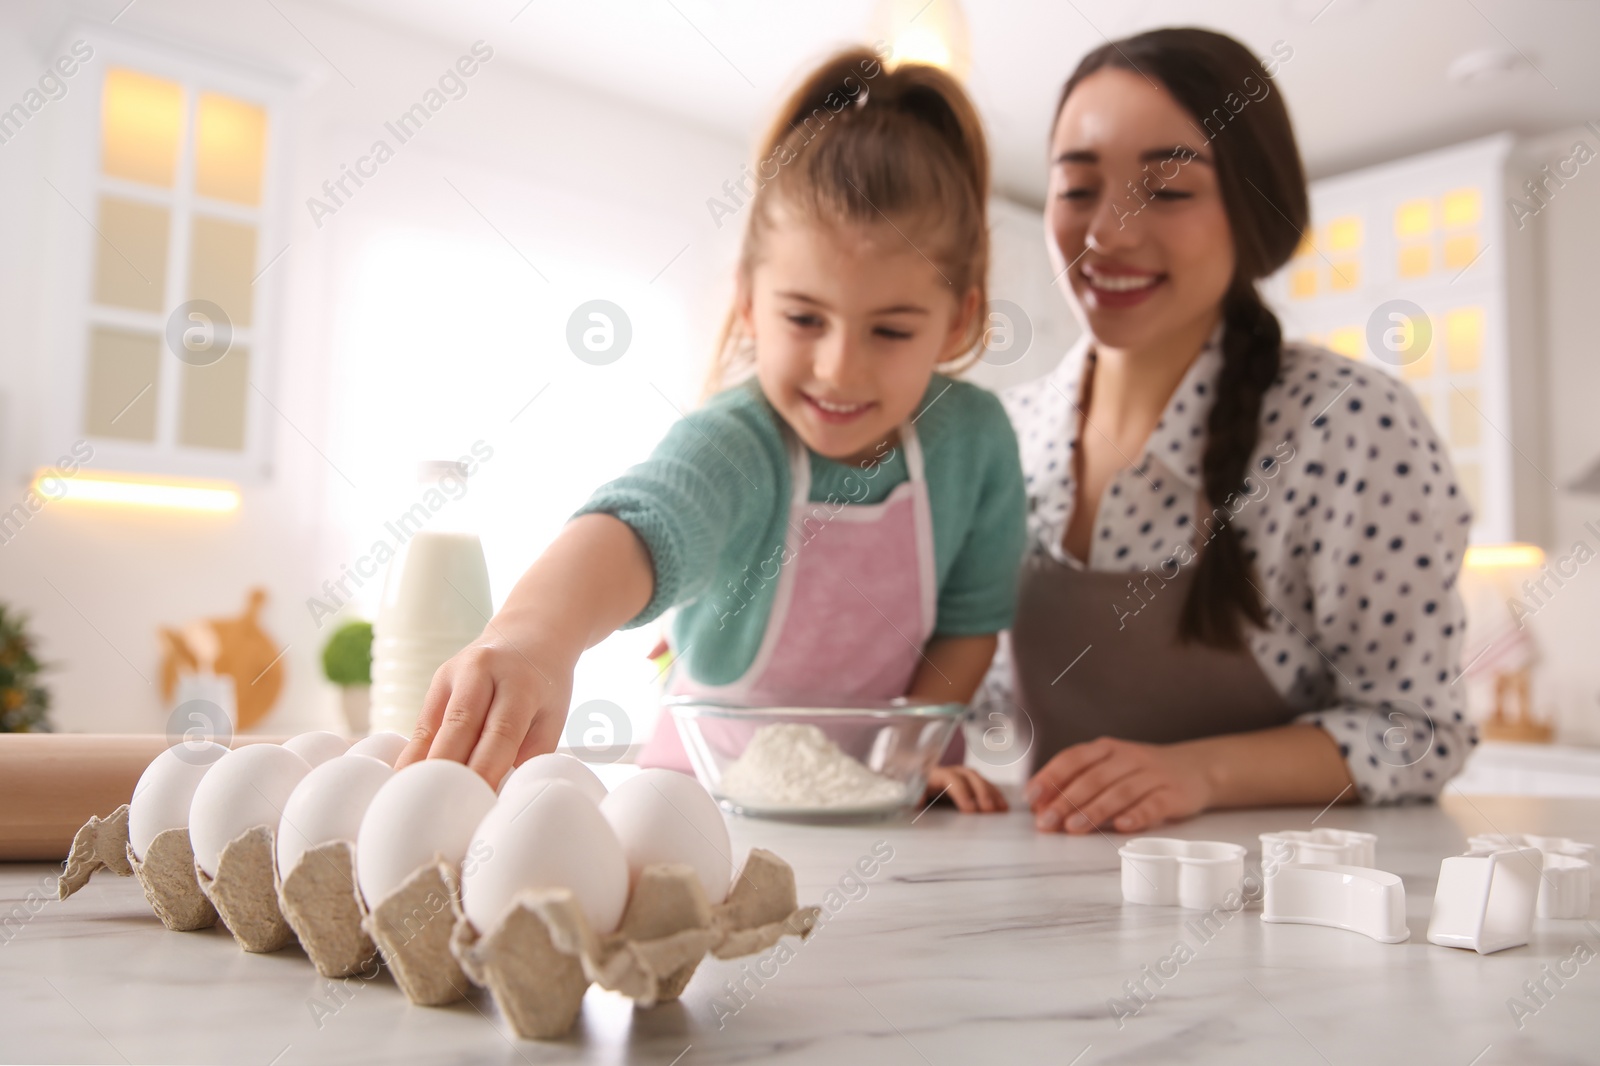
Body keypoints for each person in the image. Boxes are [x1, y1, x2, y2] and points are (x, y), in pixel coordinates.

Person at [397, 49, 1025, 813]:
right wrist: (534, 639)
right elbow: (641, 523)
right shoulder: (739, 441)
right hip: (706, 808)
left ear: (956, 318)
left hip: (897, 808)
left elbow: (969, 627)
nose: (839, 368)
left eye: (890, 330)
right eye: (803, 318)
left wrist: (904, 759)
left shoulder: (975, 440)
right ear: (750, 302)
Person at [984, 27, 1477, 834]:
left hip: (1280, 919)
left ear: (1253, 208)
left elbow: (1418, 729)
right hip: (1038, 905)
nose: (1107, 234)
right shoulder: (1003, 435)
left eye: (1169, 191)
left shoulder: (1347, 427)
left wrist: (1201, 772)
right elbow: (981, 709)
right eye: (1077, 188)